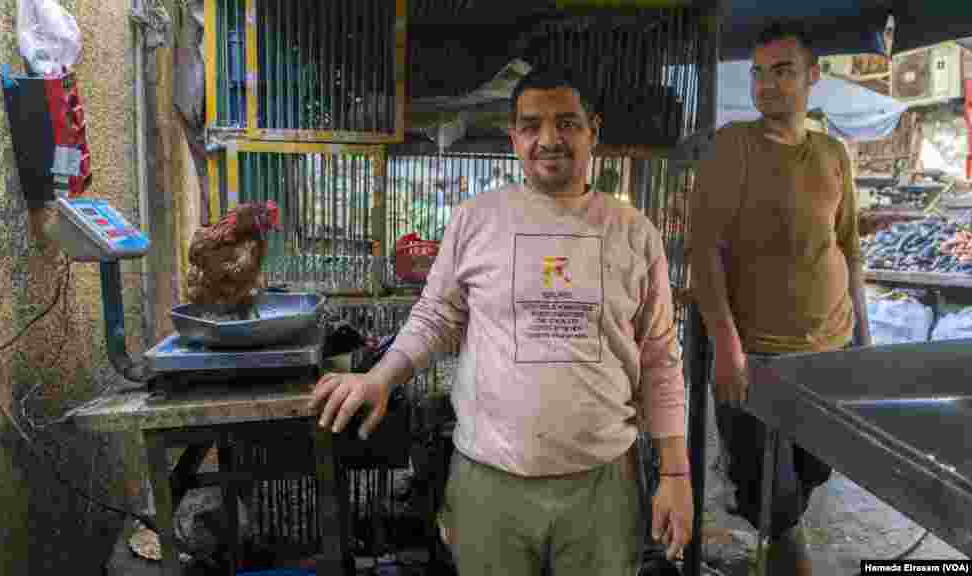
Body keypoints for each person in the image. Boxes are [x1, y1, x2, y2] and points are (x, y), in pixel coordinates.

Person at [311, 67, 694, 575]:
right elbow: (436, 316)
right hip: (490, 484)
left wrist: (675, 472)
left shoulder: (632, 233)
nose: (549, 140)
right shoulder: (477, 219)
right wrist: (381, 378)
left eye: (566, 123)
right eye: (532, 125)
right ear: (513, 137)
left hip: (604, 486)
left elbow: (661, 359)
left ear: (592, 131)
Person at [689, 20, 871, 576]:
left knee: (817, 468)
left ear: (813, 76)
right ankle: (783, 548)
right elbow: (703, 251)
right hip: (756, 358)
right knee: (775, 503)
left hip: (829, 349)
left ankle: (768, 520)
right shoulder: (733, 146)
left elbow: (847, 244)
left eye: (783, 71)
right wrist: (726, 344)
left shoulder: (833, 153)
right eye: (758, 73)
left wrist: (863, 336)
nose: (766, 84)